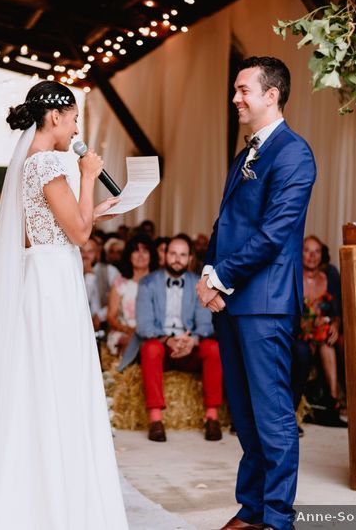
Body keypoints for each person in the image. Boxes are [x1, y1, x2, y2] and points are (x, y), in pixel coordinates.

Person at [0, 81, 127, 529]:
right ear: (57, 116)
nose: (77, 126)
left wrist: (96, 209)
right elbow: (79, 236)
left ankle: (35, 486)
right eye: (76, 117)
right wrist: (86, 176)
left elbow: (61, 225)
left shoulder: (32, 163)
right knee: (57, 378)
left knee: (41, 376)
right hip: (52, 281)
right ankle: (55, 497)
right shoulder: (46, 163)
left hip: (44, 272)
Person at [196, 56, 316, 530]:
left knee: (273, 417)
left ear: (272, 94)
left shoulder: (293, 153)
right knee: (244, 417)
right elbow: (226, 223)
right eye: (235, 90)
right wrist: (208, 274)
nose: (235, 99)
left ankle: (278, 518)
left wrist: (218, 278)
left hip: (265, 305)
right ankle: (251, 508)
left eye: (243, 90)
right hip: (231, 301)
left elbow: (273, 233)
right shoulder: (247, 153)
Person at [120, 234, 222, 442]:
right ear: (164, 255)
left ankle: (212, 417)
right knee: (149, 348)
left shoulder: (199, 284)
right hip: (162, 345)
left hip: (189, 345)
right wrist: (168, 340)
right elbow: (144, 325)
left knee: (213, 348)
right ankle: (156, 420)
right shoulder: (148, 283)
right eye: (173, 253)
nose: (177, 259)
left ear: (190, 259)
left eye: (183, 255)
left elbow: (205, 323)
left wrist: (192, 340)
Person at [295, 236, 344, 428]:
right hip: (299, 331)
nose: (312, 255)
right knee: (308, 346)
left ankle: (333, 401)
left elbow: (337, 311)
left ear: (322, 254)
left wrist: (336, 324)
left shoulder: (329, 277)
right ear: (300, 253)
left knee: (327, 340)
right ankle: (303, 403)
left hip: (322, 333)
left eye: (316, 251)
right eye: (307, 250)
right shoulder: (293, 276)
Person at [105, 235, 156, 356]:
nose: (141, 256)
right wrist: (129, 330)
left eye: (145, 251)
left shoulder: (158, 281)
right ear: (129, 255)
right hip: (125, 331)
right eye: (136, 251)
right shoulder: (120, 282)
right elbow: (111, 317)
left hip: (152, 332)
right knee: (130, 343)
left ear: (151, 255)